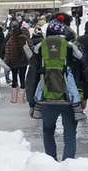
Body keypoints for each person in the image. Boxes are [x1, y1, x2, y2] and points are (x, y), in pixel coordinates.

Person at [34, 18, 85, 160]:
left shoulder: (42, 48)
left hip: (47, 96)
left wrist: (33, 103)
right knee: (70, 135)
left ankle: (51, 161)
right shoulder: (71, 47)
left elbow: (33, 74)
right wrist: (83, 95)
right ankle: (67, 165)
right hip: (69, 97)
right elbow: (84, 71)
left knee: (48, 131)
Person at [5, 21, 29, 103]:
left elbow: (8, 51)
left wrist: (8, 61)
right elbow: (29, 48)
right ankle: (21, 98)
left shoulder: (11, 40)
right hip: (23, 61)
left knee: (14, 78)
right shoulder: (24, 38)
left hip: (13, 62)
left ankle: (14, 98)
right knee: (22, 78)